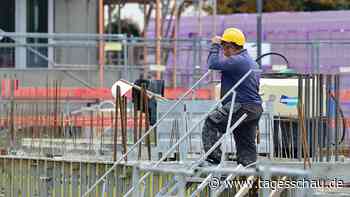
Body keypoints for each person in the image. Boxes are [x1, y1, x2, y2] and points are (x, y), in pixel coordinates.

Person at [202, 27, 263, 167]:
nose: (224, 51)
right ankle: (248, 167)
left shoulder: (238, 60)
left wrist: (215, 45)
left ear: (230, 46)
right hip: (254, 108)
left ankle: (213, 159)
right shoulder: (251, 62)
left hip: (241, 105)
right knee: (244, 140)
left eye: (224, 47)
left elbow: (213, 64)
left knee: (212, 122)